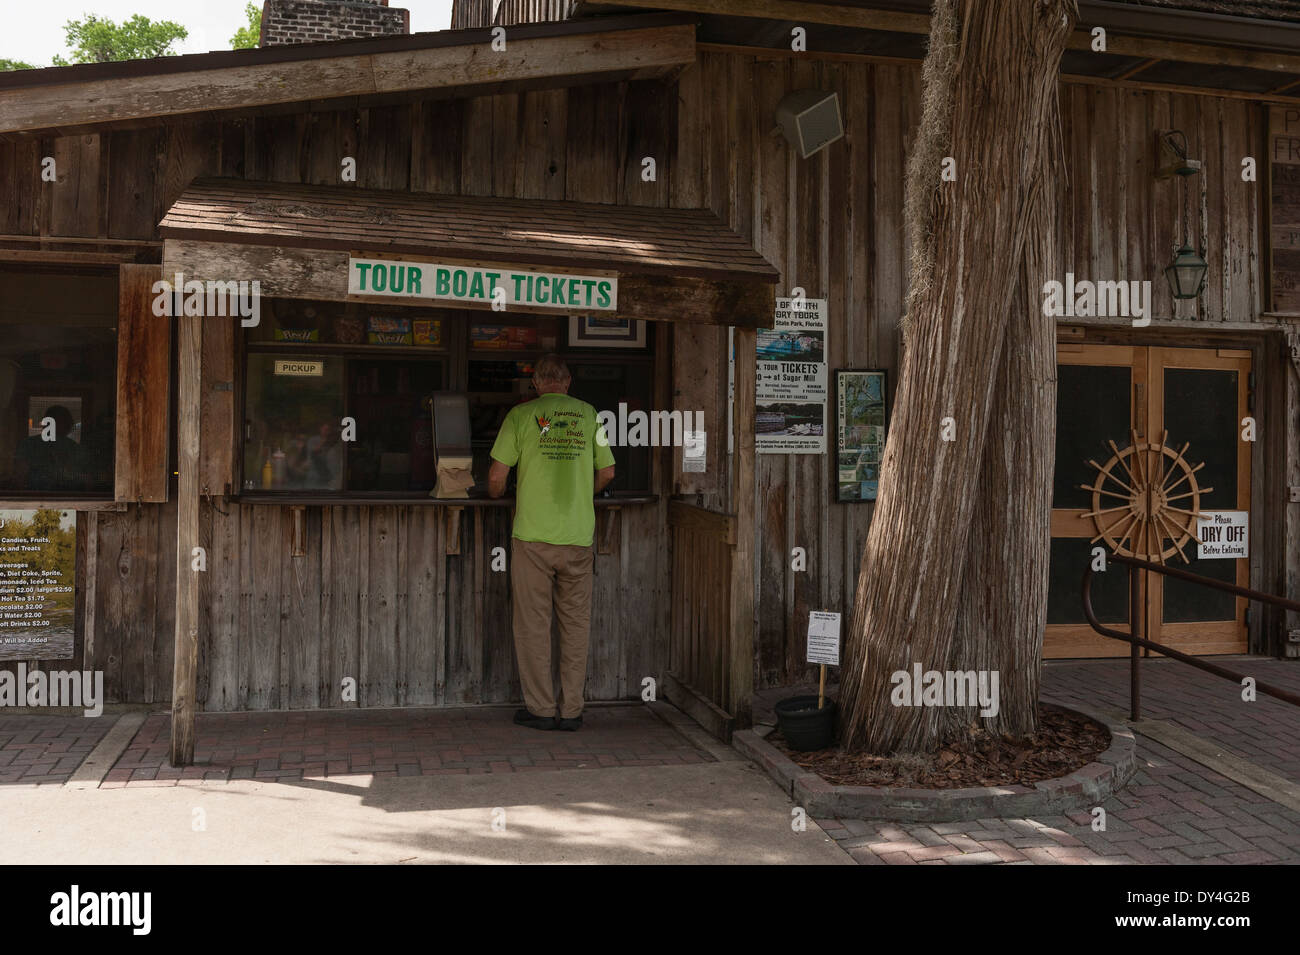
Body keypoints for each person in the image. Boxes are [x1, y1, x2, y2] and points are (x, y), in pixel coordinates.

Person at [488, 354, 615, 731]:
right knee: (576, 626)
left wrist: (497, 494)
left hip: (532, 537)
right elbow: (607, 472)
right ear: (568, 382)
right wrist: (581, 494)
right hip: (578, 536)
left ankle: (542, 710)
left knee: (533, 625)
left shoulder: (521, 415)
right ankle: (572, 710)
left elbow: (496, 478)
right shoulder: (590, 415)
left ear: (536, 383)